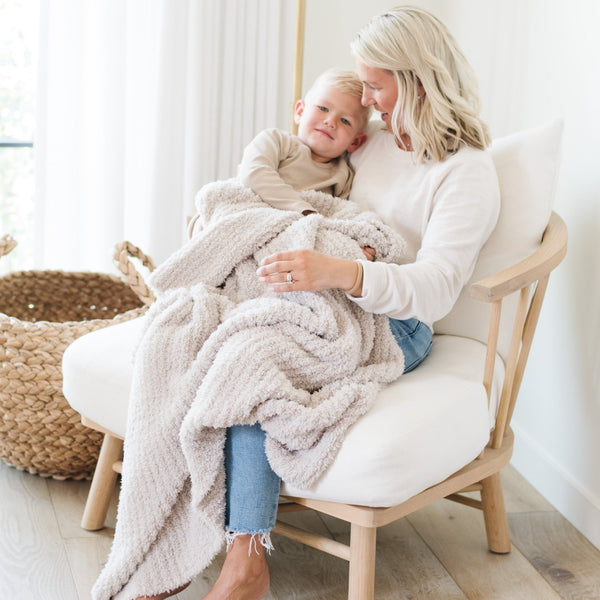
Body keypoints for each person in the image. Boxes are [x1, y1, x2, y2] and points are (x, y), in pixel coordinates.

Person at [134, 6, 499, 600]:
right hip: (322, 299)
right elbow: (299, 184)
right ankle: (169, 537)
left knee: (255, 358)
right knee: (213, 340)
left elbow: (435, 288)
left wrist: (340, 268)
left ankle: (246, 565)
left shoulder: (468, 174)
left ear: (416, 79)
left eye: (378, 86)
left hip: (394, 325)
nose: (372, 103)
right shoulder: (372, 142)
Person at [188, 68, 371, 240]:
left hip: (291, 234)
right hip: (248, 211)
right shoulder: (277, 141)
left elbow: (341, 214)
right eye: (323, 108)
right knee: (206, 221)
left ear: (355, 142)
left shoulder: (343, 174)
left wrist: (353, 240)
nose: (330, 121)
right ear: (299, 111)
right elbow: (254, 174)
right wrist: (305, 211)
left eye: (345, 120)